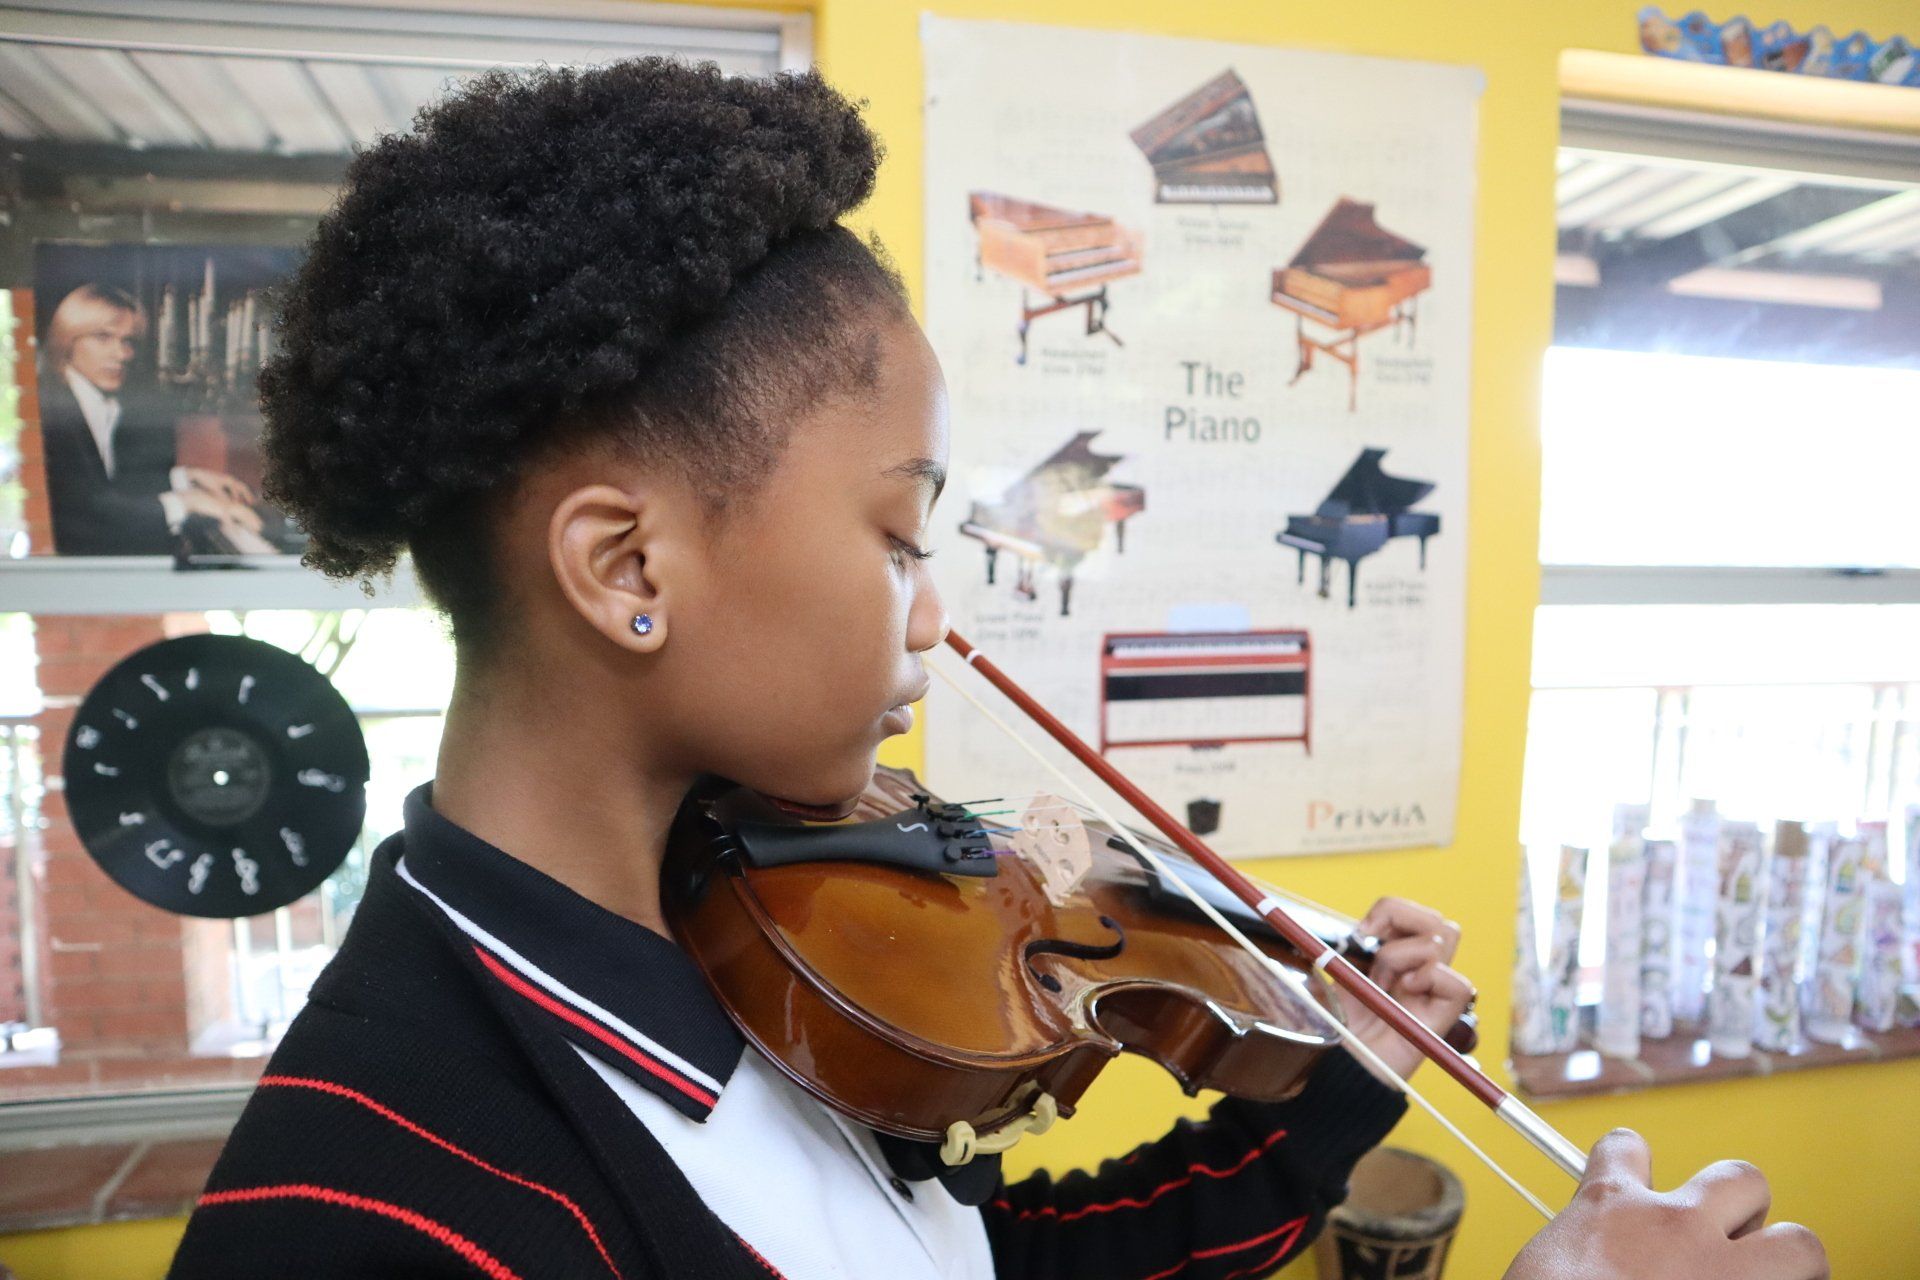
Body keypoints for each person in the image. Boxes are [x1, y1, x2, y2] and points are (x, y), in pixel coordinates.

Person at [166, 61, 1826, 1280]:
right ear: (627, 569)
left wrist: (1330, 1099)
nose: (932, 616)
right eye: (899, 536)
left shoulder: (741, 942)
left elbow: (968, 1259)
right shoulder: (361, 1217)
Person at [39, 283, 262, 555]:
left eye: (127, 341)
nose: (121, 355)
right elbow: (88, 512)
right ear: (67, 340)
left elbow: (115, 486)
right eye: (103, 337)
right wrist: (186, 502)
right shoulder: (51, 411)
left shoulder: (95, 401)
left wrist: (186, 478)